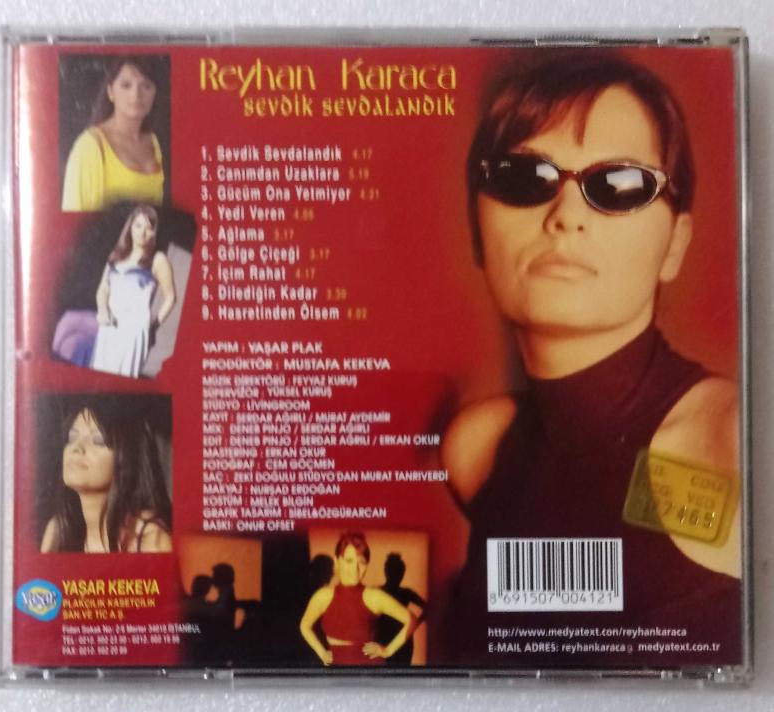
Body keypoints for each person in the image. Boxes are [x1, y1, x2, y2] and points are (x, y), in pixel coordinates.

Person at [442, 52, 740, 662]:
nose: (566, 217)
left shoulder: (736, 443)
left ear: (675, 245)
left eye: (619, 185)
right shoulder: (477, 448)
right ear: (476, 227)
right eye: (524, 177)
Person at [40, 398, 172, 553]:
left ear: (126, 457)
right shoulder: (58, 530)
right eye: (72, 438)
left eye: (98, 440)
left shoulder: (150, 538)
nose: (76, 447)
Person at [62, 55, 164, 211]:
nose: (136, 95)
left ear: (154, 94)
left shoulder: (154, 142)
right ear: (111, 92)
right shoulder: (90, 146)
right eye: (126, 85)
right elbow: (74, 217)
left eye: (146, 86)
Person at [300, 533, 417, 666]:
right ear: (337, 561)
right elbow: (305, 626)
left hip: (369, 670)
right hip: (336, 669)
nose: (355, 568)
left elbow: (411, 620)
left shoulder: (374, 596)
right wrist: (321, 653)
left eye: (362, 562)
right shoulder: (323, 596)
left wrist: (388, 650)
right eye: (349, 560)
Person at [91, 204, 175, 377]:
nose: (142, 232)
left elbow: (171, 297)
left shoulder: (158, 260)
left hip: (134, 332)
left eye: (148, 228)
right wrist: (103, 310)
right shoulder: (116, 255)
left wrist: (153, 327)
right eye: (138, 225)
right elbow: (103, 288)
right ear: (130, 227)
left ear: (154, 232)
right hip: (108, 326)